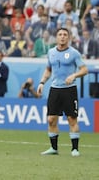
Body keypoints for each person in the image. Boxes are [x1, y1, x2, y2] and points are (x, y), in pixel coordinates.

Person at [37, 28, 88, 157]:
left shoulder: (74, 53)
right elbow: (48, 69)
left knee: (72, 119)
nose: (62, 37)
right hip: (55, 89)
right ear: (56, 37)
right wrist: (42, 82)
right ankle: (54, 148)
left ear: (69, 37)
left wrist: (74, 76)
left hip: (69, 90)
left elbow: (84, 70)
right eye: (60, 34)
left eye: (65, 34)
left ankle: (74, 149)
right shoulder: (51, 52)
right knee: (51, 119)